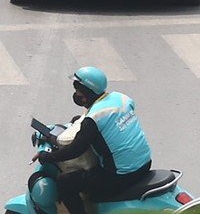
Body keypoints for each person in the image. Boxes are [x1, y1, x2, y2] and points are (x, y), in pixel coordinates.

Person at [47, 66, 157, 211]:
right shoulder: (122, 98)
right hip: (145, 163)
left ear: (86, 92)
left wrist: (48, 157)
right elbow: (110, 122)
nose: (76, 94)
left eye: (78, 91)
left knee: (65, 183)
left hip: (121, 176)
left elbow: (75, 150)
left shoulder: (93, 119)